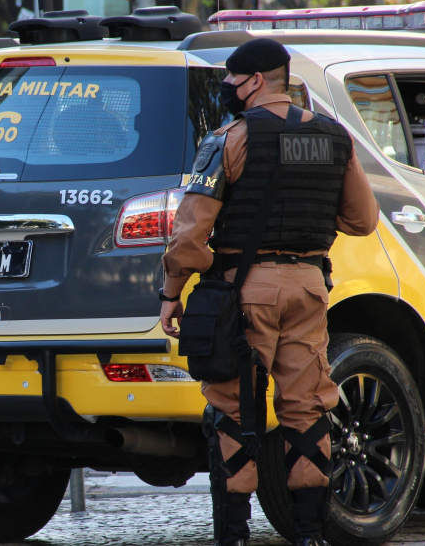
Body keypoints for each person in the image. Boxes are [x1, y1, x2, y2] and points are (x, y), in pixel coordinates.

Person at [159, 38, 379, 546]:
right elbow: (363, 221)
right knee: (307, 409)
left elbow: (190, 233)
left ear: (256, 80)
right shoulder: (334, 137)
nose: (229, 90)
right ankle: (309, 535)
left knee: (233, 410)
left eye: (233, 81)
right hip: (308, 288)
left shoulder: (229, 139)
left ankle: (235, 537)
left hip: (245, 292)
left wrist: (173, 291)